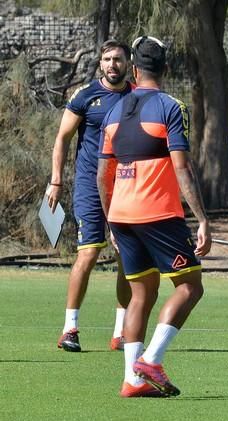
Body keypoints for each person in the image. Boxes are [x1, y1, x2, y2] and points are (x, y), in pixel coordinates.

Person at [96, 36, 211, 398]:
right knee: (191, 286)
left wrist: (110, 221)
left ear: (133, 69)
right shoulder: (170, 107)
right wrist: (202, 219)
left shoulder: (114, 111)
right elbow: (182, 167)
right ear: (166, 68)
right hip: (157, 214)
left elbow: (102, 175)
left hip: (122, 217)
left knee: (140, 295)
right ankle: (152, 360)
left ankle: (132, 381)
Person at [48, 39, 133, 353]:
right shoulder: (85, 96)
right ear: (100, 63)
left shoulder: (137, 97)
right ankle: (70, 328)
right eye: (108, 59)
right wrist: (56, 181)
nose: (113, 64)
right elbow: (62, 138)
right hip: (88, 187)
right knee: (89, 253)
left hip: (125, 188)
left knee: (127, 256)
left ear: (128, 63)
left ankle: (121, 333)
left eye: (119, 59)